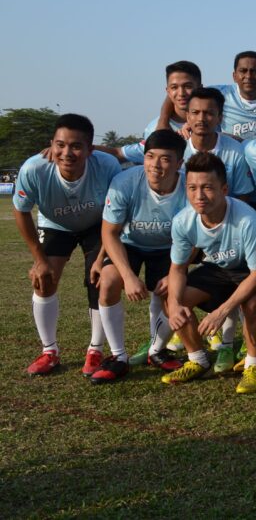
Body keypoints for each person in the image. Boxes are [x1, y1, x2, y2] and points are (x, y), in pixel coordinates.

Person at [13, 114, 122, 376]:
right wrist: (39, 259)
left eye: (76, 146)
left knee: (100, 279)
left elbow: (115, 214)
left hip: (98, 225)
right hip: (55, 225)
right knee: (44, 279)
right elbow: (21, 211)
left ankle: (95, 350)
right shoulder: (34, 169)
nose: (66, 152)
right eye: (60, 145)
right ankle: (49, 351)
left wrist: (100, 259)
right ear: (51, 144)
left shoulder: (107, 166)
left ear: (90, 149)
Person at [161, 152, 256, 393]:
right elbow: (178, 268)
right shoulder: (183, 221)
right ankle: (197, 359)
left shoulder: (247, 220)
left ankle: (254, 364)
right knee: (172, 298)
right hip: (216, 270)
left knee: (252, 305)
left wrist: (222, 312)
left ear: (224, 189)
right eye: (192, 188)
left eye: (207, 188)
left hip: (247, 271)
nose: (199, 196)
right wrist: (176, 303)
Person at [95, 130, 188, 381]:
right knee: (109, 280)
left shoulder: (190, 186)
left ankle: (156, 352)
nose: (155, 165)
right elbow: (110, 232)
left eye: (166, 159)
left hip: (170, 248)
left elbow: (194, 236)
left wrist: (175, 273)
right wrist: (128, 277)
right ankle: (118, 357)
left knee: (173, 297)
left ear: (180, 163)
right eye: (150, 157)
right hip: (130, 244)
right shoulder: (125, 181)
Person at [114, 61, 202, 164]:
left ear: (200, 88)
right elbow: (120, 153)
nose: (181, 93)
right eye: (174, 87)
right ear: (168, 91)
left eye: (188, 86)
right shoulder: (155, 128)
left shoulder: (213, 118)